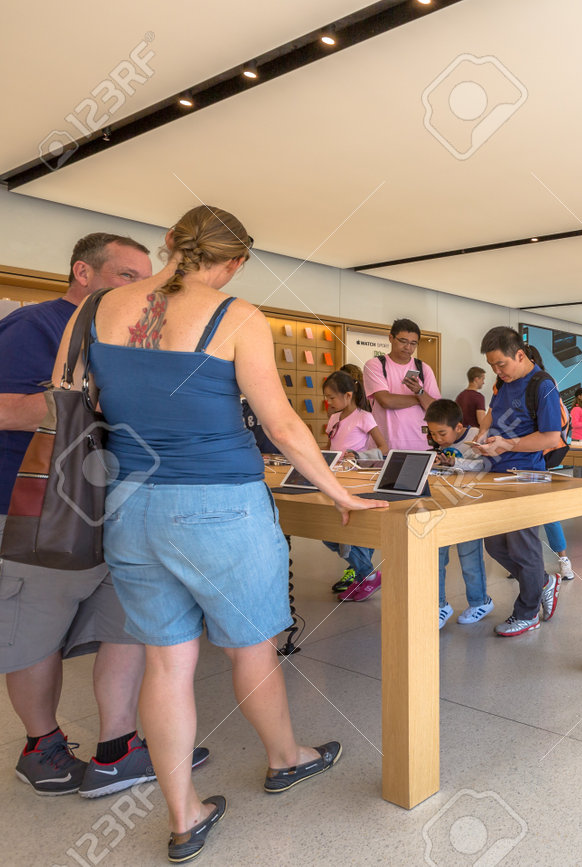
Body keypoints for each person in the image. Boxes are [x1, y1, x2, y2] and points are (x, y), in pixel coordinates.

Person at [66, 205, 386, 861]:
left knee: (166, 661)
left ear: (168, 244)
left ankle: (184, 814)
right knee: (250, 649)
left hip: (130, 503)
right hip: (222, 505)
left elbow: (72, 397)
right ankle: (286, 756)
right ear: (234, 262)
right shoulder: (236, 315)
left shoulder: (94, 309)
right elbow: (284, 424)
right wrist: (334, 489)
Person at [0, 233, 187, 800]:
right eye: (128, 275)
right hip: (35, 512)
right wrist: (76, 401)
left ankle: (119, 747)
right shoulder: (34, 326)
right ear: (83, 271)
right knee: (35, 634)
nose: (142, 287)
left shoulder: (133, 339)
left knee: (124, 624)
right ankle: (42, 746)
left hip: (115, 510)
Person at [475, 327, 563, 636]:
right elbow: (490, 414)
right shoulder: (503, 382)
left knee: (523, 547)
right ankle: (542, 581)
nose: (497, 372)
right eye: (492, 367)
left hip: (526, 475)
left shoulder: (543, 386)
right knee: (495, 544)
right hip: (495, 473)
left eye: (502, 364)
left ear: (520, 355)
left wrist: (507, 444)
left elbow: (551, 437)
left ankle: (527, 613)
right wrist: (483, 435)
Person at [424, 400, 496, 628]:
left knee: (470, 558)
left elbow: (484, 466)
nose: (437, 438)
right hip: (442, 506)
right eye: (433, 433)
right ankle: (438, 605)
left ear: (458, 427)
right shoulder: (440, 442)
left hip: (468, 508)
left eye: (442, 433)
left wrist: (455, 461)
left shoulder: (476, 437)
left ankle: (480, 602)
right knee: (437, 557)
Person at [322, 370, 388, 600]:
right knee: (328, 532)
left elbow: (384, 448)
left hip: (356, 481)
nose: (328, 402)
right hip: (335, 481)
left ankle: (365, 576)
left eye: (332, 397)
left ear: (348, 395)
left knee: (352, 535)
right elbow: (329, 449)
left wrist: (357, 455)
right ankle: (366, 575)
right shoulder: (333, 418)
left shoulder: (364, 417)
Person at [363, 318, 439, 451]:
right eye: (403, 341)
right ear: (391, 338)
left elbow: (435, 409)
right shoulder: (375, 365)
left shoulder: (424, 368)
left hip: (420, 446)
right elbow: (386, 401)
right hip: (385, 447)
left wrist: (419, 391)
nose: (408, 347)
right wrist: (419, 398)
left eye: (413, 343)